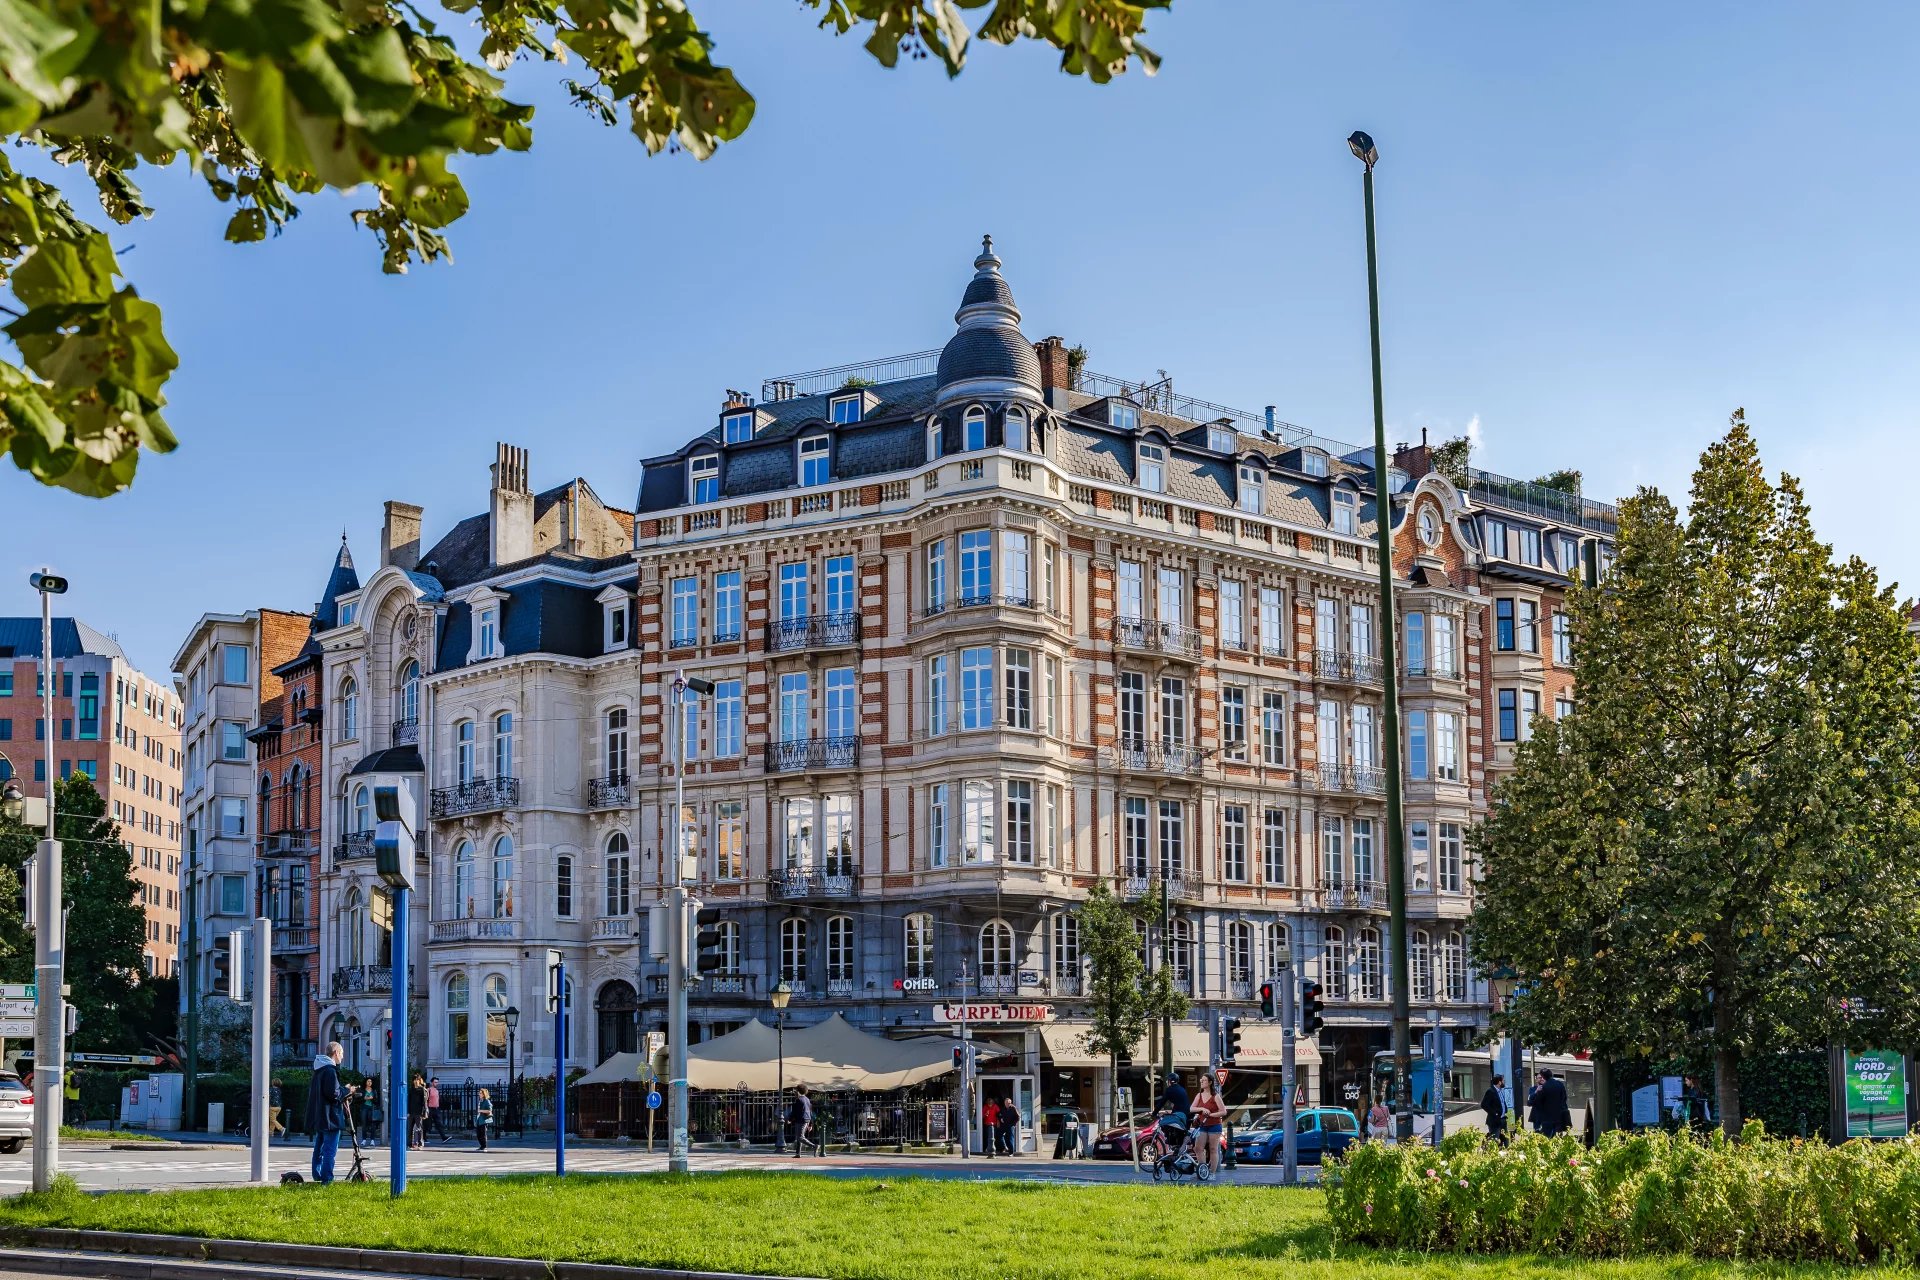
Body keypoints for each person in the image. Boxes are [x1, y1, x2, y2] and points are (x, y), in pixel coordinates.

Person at [305, 1041, 346, 1184]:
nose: (342, 1057)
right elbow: (333, 1093)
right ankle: (327, 1179)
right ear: (335, 1053)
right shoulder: (330, 1070)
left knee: (319, 1148)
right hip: (330, 1118)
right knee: (329, 1150)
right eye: (341, 1053)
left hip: (320, 1116)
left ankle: (317, 1175)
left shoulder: (319, 1069)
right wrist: (347, 1090)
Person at [1190, 1075, 1226, 1178]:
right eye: (1201, 1080)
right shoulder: (1199, 1095)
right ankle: (1203, 1170)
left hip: (1214, 1125)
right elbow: (1191, 1108)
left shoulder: (1216, 1096)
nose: (1202, 1082)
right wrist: (1201, 1109)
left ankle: (1212, 1173)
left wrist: (1211, 1115)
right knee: (1198, 1148)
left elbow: (1223, 1112)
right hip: (1202, 1125)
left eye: (1204, 1080)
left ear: (1210, 1082)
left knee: (1213, 1149)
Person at [1530, 1069, 1572, 1137]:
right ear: (1551, 1075)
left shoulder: (1544, 1087)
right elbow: (1564, 1098)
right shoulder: (1560, 1084)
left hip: (1547, 1118)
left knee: (1547, 1138)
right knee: (1557, 1138)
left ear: (1543, 1077)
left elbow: (1537, 1101)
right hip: (1559, 1117)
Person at [1482, 1073, 1508, 1147]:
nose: (1504, 1082)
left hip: (1503, 1119)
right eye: (1503, 1081)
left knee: (1505, 1141)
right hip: (1494, 1121)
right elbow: (1484, 1104)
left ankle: (1505, 1155)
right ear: (1499, 1082)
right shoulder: (1491, 1091)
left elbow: (1502, 1103)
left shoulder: (1500, 1091)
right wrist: (1495, 1113)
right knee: (1494, 1140)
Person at [790, 1084, 814, 1156]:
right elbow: (810, 1111)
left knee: (800, 1137)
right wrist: (810, 1124)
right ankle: (798, 1153)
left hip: (801, 1119)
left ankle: (814, 1146)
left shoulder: (799, 1100)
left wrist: (790, 1119)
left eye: (796, 1090)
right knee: (799, 1136)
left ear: (798, 1091)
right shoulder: (807, 1099)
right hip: (807, 1119)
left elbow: (795, 1111)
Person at [408, 1073, 428, 1149]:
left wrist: (424, 1112)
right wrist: (408, 1111)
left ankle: (420, 1143)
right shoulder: (411, 1089)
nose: (416, 1081)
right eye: (414, 1080)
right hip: (411, 1111)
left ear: (419, 1080)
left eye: (417, 1080)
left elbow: (424, 1102)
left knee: (419, 1128)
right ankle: (409, 1143)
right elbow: (409, 1101)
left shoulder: (421, 1089)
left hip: (419, 1111)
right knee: (410, 1128)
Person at [426, 1077, 447, 1143]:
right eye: (435, 1082)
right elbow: (426, 1100)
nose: (436, 1083)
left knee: (439, 1124)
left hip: (436, 1109)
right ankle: (423, 1138)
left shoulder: (437, 1091)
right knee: (427, 1124)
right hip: (430, 1108)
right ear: (432, 1082)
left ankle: (444, 1137)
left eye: (437, 1082)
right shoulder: (428, 1090)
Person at [474, 1087, 494, 1152]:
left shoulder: (486, 1101)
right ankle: (481, 1146)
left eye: (480, 1093)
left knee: (483, 1134)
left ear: (484, 1094)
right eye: (479, 1093)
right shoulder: (481, 1101)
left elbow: (489, 1110)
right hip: (479, 1120)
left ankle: (484, 1146)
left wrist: (481, 1110)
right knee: (478, 1134)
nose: (479, 1094)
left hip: (484, 1120)